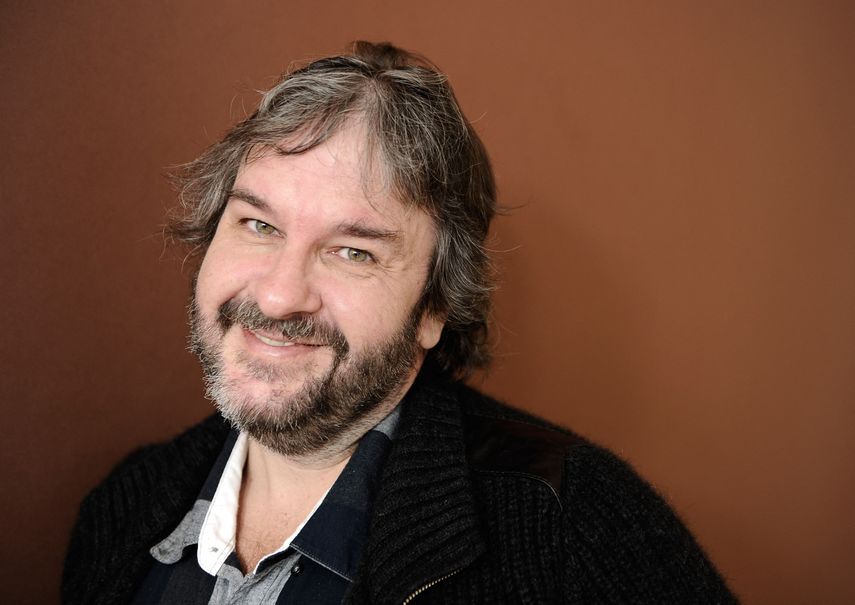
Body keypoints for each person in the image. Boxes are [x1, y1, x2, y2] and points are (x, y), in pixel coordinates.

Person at [62, 42, 738, 604]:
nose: (276, 297)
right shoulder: (123, 507)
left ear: (434, 306)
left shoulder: (573, 525)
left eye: (352, 251)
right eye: (258, 224)